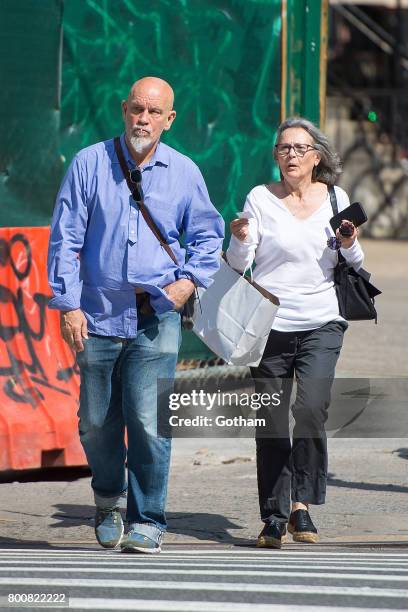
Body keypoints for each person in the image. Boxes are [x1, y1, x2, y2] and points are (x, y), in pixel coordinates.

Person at [47, 76, 224, 554]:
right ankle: (108, 499)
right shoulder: (89, 163)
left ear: (170, 119)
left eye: (153, 112)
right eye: (136, 109)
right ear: (124, 109)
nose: (142, 119)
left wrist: (188, 282)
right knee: (96, 422)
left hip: (156, 316)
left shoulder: (185, 172)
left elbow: (209, 236)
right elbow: (66, 238)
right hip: (98, 316)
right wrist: (67, 304)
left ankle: (148, 518)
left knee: (148, 420)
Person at [227, 116, 363, 549]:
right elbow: (237, 263)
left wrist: (348, 242)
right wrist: (241, 238)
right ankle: (273, 515)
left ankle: (301, 503)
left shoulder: (336, 197)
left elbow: (355, 260)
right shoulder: (260, 198)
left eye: (299, 148)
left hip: (323, 319)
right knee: (270, 420)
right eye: (283, 148)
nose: (290, 155)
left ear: (316, 157)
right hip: (270, 325)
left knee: (311, 409)